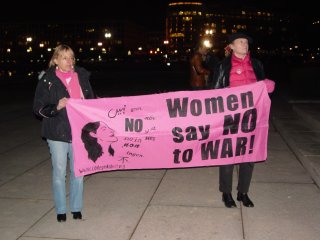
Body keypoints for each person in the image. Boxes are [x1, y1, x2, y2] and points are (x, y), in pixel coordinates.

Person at [208, 31, 275, 208]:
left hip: (251, 117)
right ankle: (226, 193)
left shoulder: (257, 64)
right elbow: (214, 92)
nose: (245, 45)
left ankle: (243, 192)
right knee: (227, 156)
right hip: (230, 118)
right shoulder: (223, 66)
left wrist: (267, 86)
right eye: (241, 42)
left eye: (246, 42)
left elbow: (262, 87)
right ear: (231, 46)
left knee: (249, 156)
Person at [33, 44, 96, 222]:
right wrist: (56, 107)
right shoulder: (47, 80)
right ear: (55, 60)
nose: (70, 62)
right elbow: (37, 108)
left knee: (78, 171)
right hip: (57, 131)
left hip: (79, 131)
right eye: (65, 58)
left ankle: (76, 208)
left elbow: (91, 101)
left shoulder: (81, 77)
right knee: (60, 172)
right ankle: (61, 210)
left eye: (72, 58)